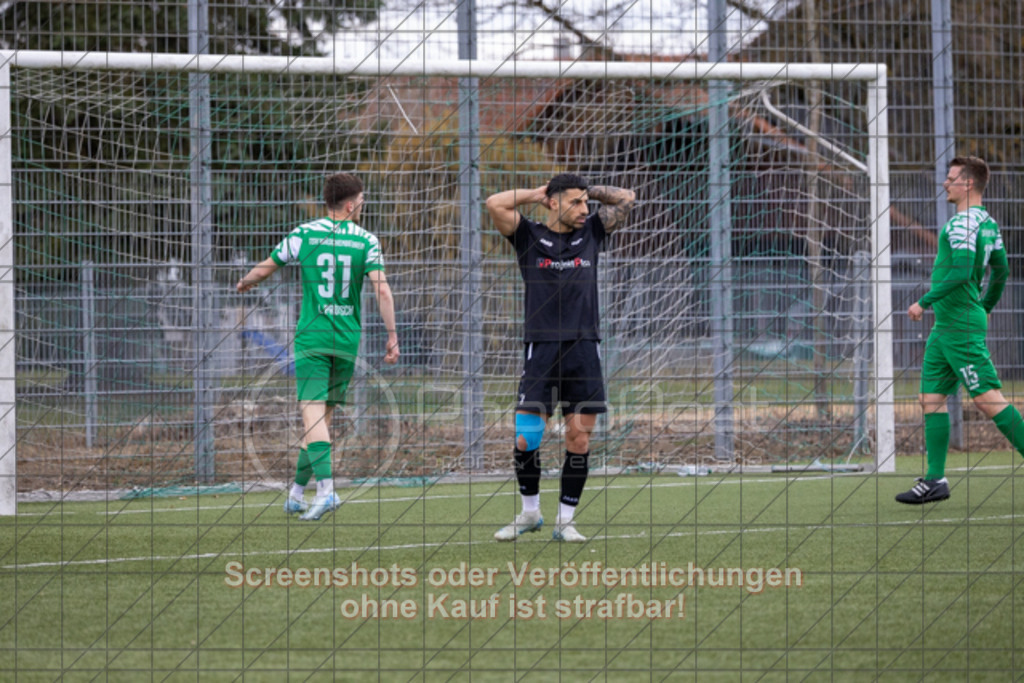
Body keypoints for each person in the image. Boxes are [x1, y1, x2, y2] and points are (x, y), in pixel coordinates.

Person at [237, 173, 399, 520]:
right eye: (363, 200)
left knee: (311, 413)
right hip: (347, 339)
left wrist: (246, 281)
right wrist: (392, 334)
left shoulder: (304, 234)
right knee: (321, 419)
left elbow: (269, 265)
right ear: (351, 204)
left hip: (313, 335)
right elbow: (382, 290)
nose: (363, 206)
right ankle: (296, 494)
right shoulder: (367, 240)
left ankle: (325, 491)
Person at [485, 173, 636, 541]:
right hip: (541, 349)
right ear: (552, 203)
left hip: (584, 348)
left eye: (586, 202)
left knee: (579, 440)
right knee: (526, 438)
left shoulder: (593, 233)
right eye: (575, 202)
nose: (585, 209)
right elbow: (495, 204)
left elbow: (627, 199)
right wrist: (537, 192)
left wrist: (586, 188)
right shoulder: (529, 236)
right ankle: (530, 513)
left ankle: (565, 521)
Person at [898, 155, 1024, 504]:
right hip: (948, 326)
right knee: (930, 399)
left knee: (987, 399)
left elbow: (962, 271)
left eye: (951, 178)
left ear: (968, 183)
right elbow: (1001, 272)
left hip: (958, 326)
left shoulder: (961, 224)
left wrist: (924, 301)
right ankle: (935, 480)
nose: (945, 183)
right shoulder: (987, 223)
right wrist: (983, 306)